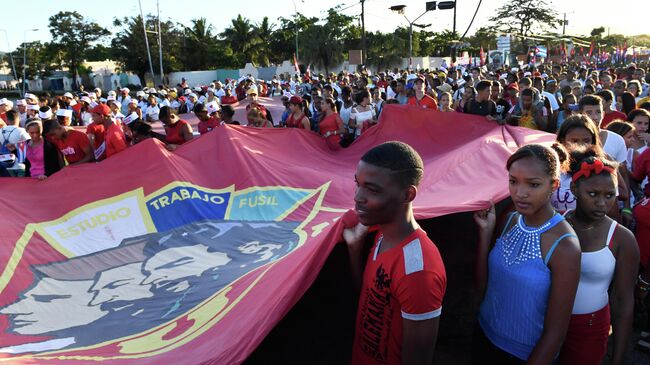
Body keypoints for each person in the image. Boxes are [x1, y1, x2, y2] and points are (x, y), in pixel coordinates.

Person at [473, 143, 580, 364]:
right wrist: (486, 234)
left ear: (554, 185)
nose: (520, 193)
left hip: (524, 355)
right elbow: (485, 288)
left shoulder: (564, 245)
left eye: (533, 184)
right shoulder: (510, 220)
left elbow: (555, 334)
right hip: (483, 337)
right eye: (513, 181)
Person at [343, 141, 446, 365]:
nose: (358, 197)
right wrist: (354, 250)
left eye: (372, 189)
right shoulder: (382, 233)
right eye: (357, 184)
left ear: (407, 194)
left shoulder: (419, 271)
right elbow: (373, 299)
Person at [558, 147, 639, 365]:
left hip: (590, 329)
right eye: (592, 194)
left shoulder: (623, 239)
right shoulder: (556, 224)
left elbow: (623, 302)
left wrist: (618, 357)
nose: (602, 203)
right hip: (544, 321)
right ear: (574, 189)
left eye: (610, 195)